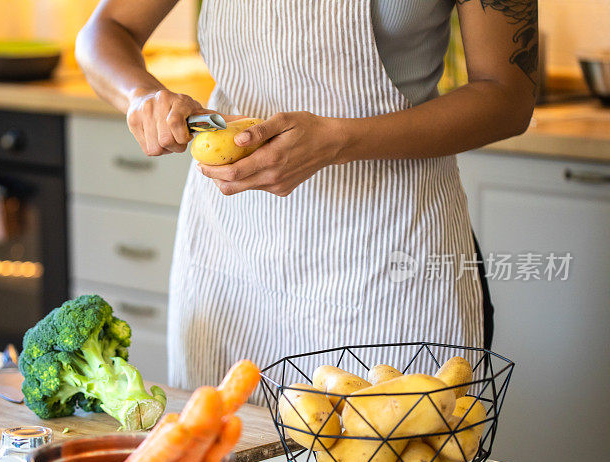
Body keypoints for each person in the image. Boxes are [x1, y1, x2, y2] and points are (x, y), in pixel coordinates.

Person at [76, 0, 537, 394]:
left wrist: (341, 140)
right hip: (235, 250)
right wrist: (141, 97)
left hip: (390, 250)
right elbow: (106, 29)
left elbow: (508, 96)